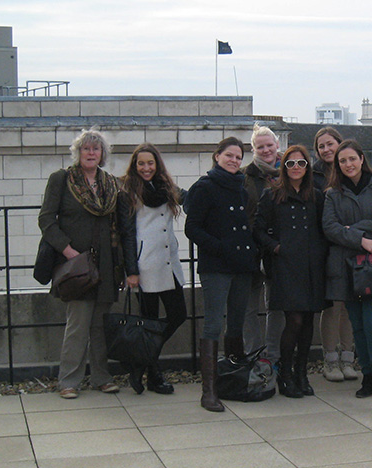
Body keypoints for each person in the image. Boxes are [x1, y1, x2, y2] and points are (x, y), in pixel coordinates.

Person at [38, 129, 125, 399]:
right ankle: (69, 380)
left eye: (95, 149)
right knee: (77, 324)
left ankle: (101, 377)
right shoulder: (61, 180)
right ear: (78, 152)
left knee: (100, 325)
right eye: (86, 149)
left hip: (106, 264)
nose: (91, 153)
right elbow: (46, 219)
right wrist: (67, 251)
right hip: (76, 264)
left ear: (102, 154)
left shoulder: (111, 183)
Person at [323, 140, 372, 400]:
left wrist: (352, 230)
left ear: (361, 158)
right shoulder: (332, 193)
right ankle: (368, 377)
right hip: (346, 266)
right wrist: (360, 239)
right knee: (357, 325)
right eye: (342, 161)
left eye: (352, 159)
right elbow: (330, 227)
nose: (348, 164)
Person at [184, 137, 257, 412]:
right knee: (213, 323)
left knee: (236, 323)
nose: (234, 161)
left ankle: (233, 379)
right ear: (217, 156)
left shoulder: (242, 187)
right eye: (229, 155)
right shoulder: (204, 188)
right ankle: (209, 391)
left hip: (241, 264)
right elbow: (193, 228)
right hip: (216, 265)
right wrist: (219, 247)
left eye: (239, 157)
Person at [254, 145, 328, 398]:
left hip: (312, 266)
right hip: (286, 266)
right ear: (283, 167)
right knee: (293, 320)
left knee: (308, 322)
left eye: (301, 163)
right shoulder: (272, 195)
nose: (296, 168)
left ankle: (301, 373)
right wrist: (275, 248)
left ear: (307, 167)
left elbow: (323, 228)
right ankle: (285, 374)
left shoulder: (317, 195)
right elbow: (258, 229)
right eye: (290, 164)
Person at [121, 143, 188, 395]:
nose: (146, 168)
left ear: (157, 164)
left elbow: (190, 197)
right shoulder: (128, 190)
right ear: (135, 165)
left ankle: (141, 362)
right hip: (145, 264)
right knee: (148, 322)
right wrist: (131, 271)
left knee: (178, 314)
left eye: (150, 163)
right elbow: (127, 233)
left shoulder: (166, 187)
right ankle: (154, 374)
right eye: (141, 163)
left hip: (169, 262)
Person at [312, 127, 358, 382]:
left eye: (330, 144)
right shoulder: (312, 175)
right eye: (321, 146)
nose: (327, 149)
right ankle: (330, 359)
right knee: (332, 306)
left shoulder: (352, 171)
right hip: (327, 248)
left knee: (350, 306)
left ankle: (349, 358)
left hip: (353, 247)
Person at [243, 124, 285, 364]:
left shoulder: (290, 172)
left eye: (270, 145)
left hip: (276, 248)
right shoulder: (244, 176)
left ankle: (273, 356)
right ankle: (253, 355)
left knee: (275, 306)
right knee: (249, 307)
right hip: (250, 249)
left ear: (277, 145)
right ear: (254, 150)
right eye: (261, 147)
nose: (266, 150)